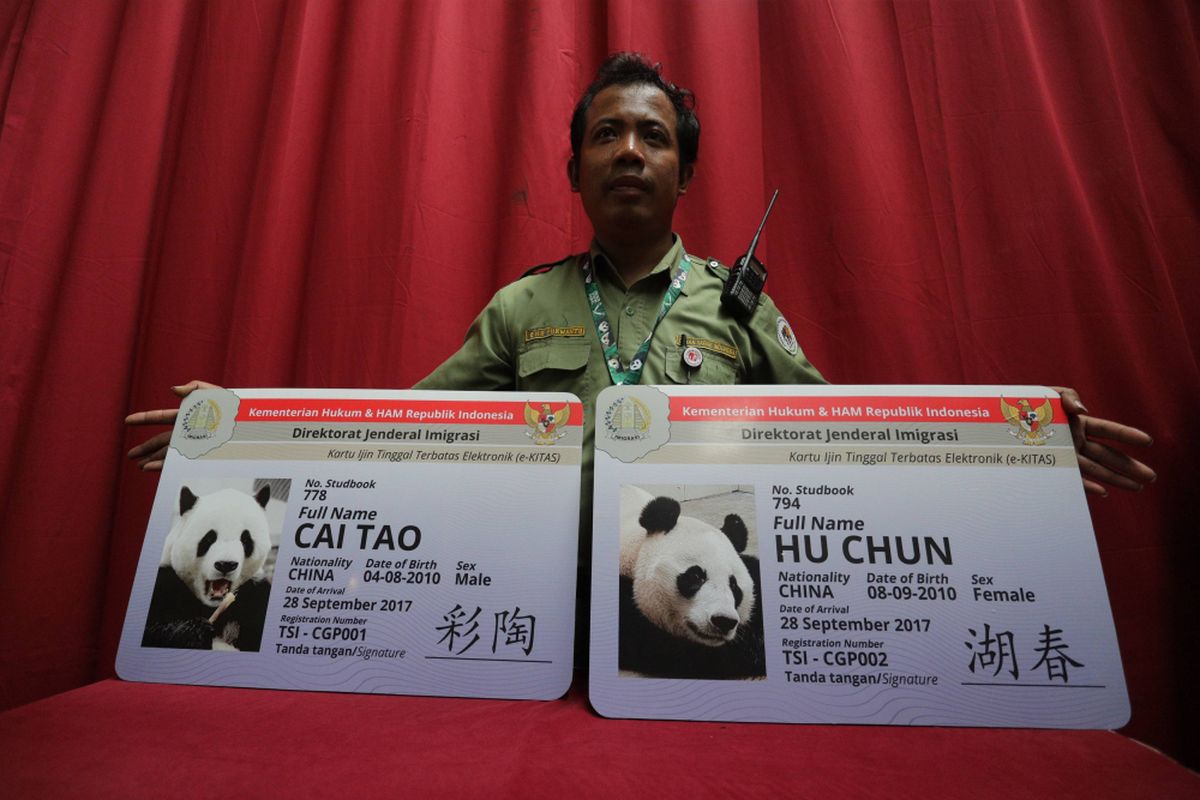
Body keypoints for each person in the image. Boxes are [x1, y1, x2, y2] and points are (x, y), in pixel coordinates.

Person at [127, 54, 1156, 499]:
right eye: (607, 134)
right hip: (532, 593)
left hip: (704, 596)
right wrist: (240, 429)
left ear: (685, 170)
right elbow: (406, 426)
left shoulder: (737, 304)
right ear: (571, 168)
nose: (629, 150)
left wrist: (1013, 440)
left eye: (653, 136)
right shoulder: (519, 307)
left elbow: (848, 428)